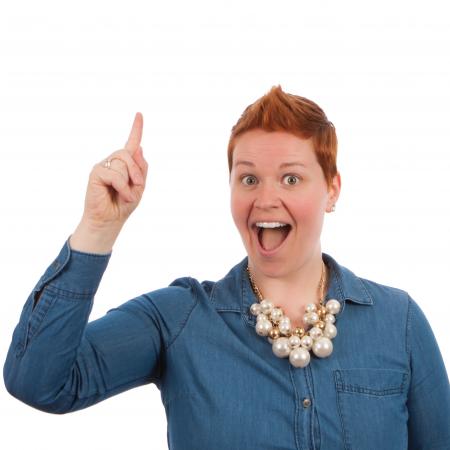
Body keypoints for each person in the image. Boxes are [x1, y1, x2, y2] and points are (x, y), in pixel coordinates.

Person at [3, 85, 450, 449]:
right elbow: (37, 382)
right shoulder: (178, 320)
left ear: (332, 190)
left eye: (291, 178)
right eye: (249, 178)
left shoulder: (399, 321)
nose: (266, 198)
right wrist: (97, 229)